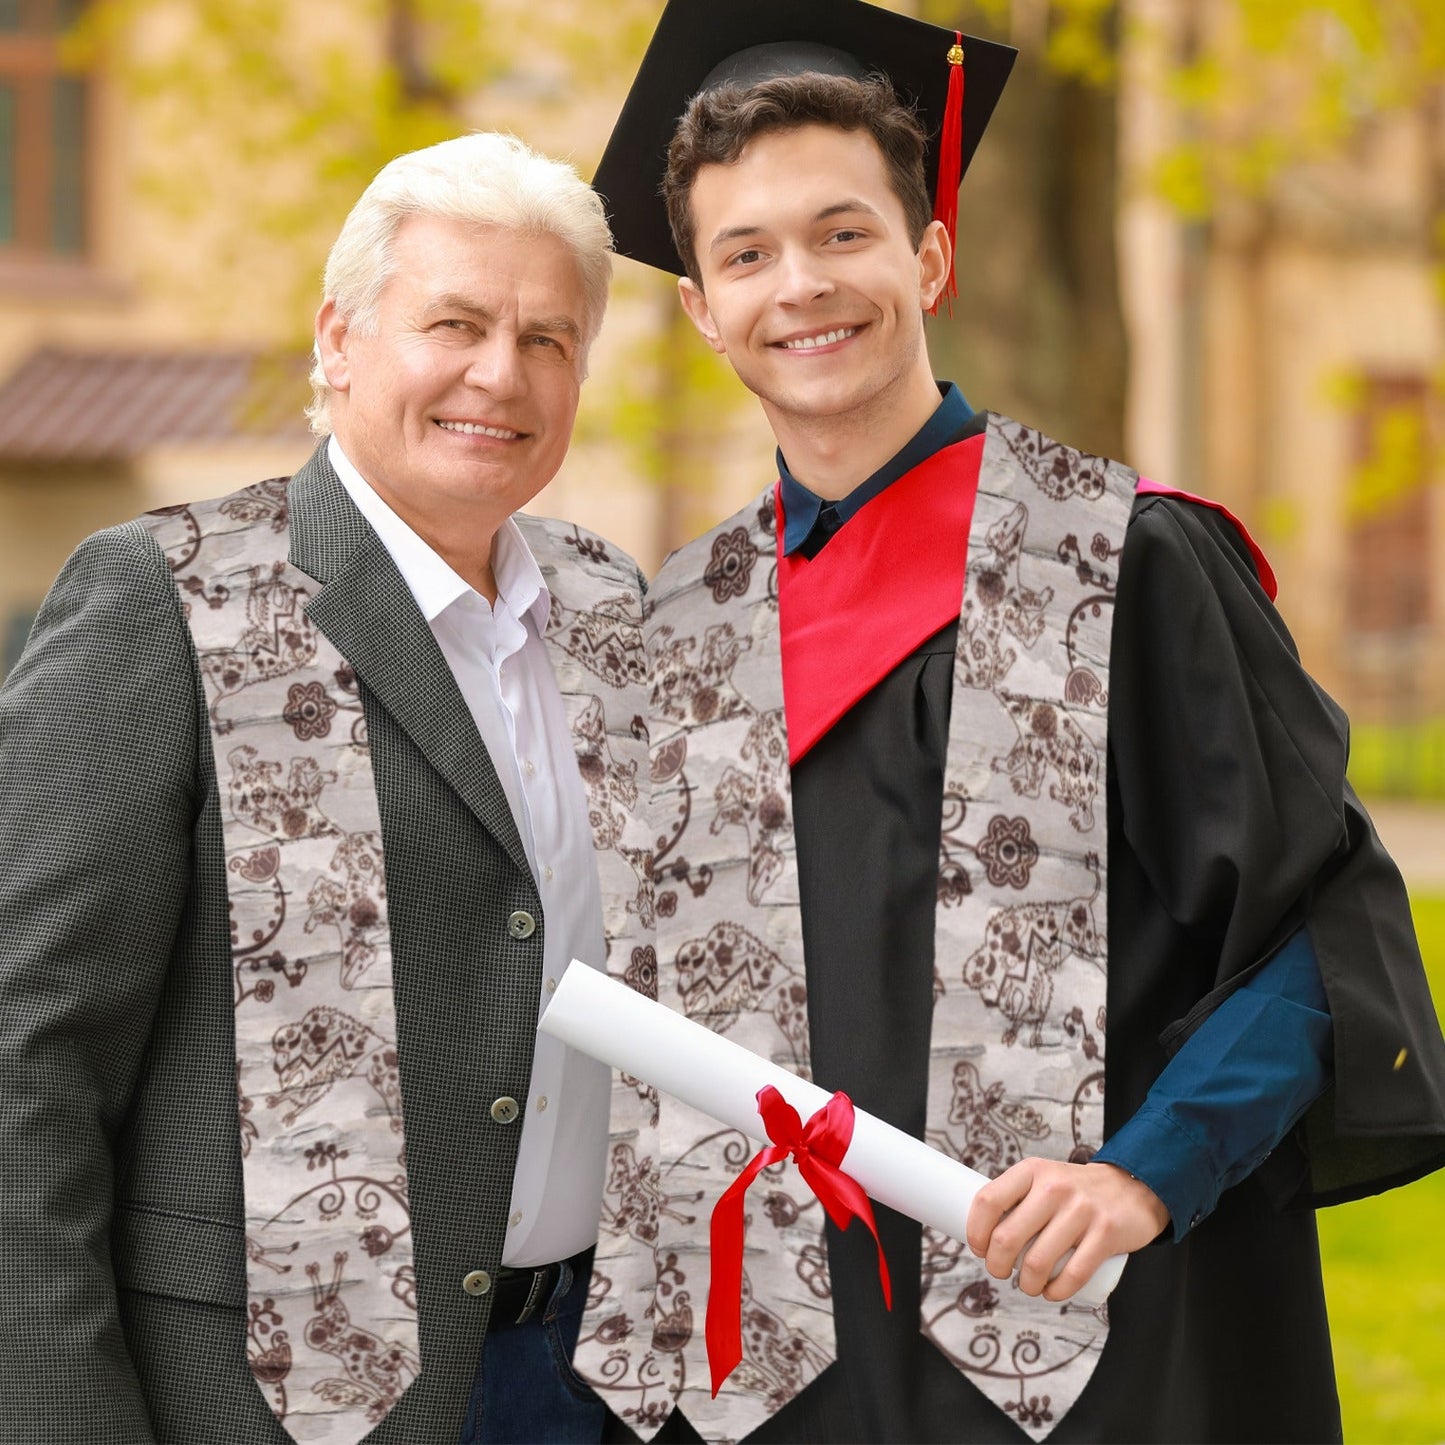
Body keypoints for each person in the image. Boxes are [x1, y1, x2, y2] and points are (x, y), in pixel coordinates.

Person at [567, 2, 1445, 1441]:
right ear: (701, 308)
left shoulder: (1125, 562)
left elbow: (1317, 934)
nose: (801, 285)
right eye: (746, 254)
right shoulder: (680, 627)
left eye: (843, 233)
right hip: (779, 1377)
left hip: (1086, 1345)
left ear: (928, 254)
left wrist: (1144, 1172)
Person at [0, 132, 654, 1445]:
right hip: (269, 1400)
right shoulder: (173, 598)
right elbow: (27, 1061)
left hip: (589, 1383)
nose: (499, 373)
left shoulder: (611, 609)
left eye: (546, 338)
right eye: (454, 322)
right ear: (339, 339)